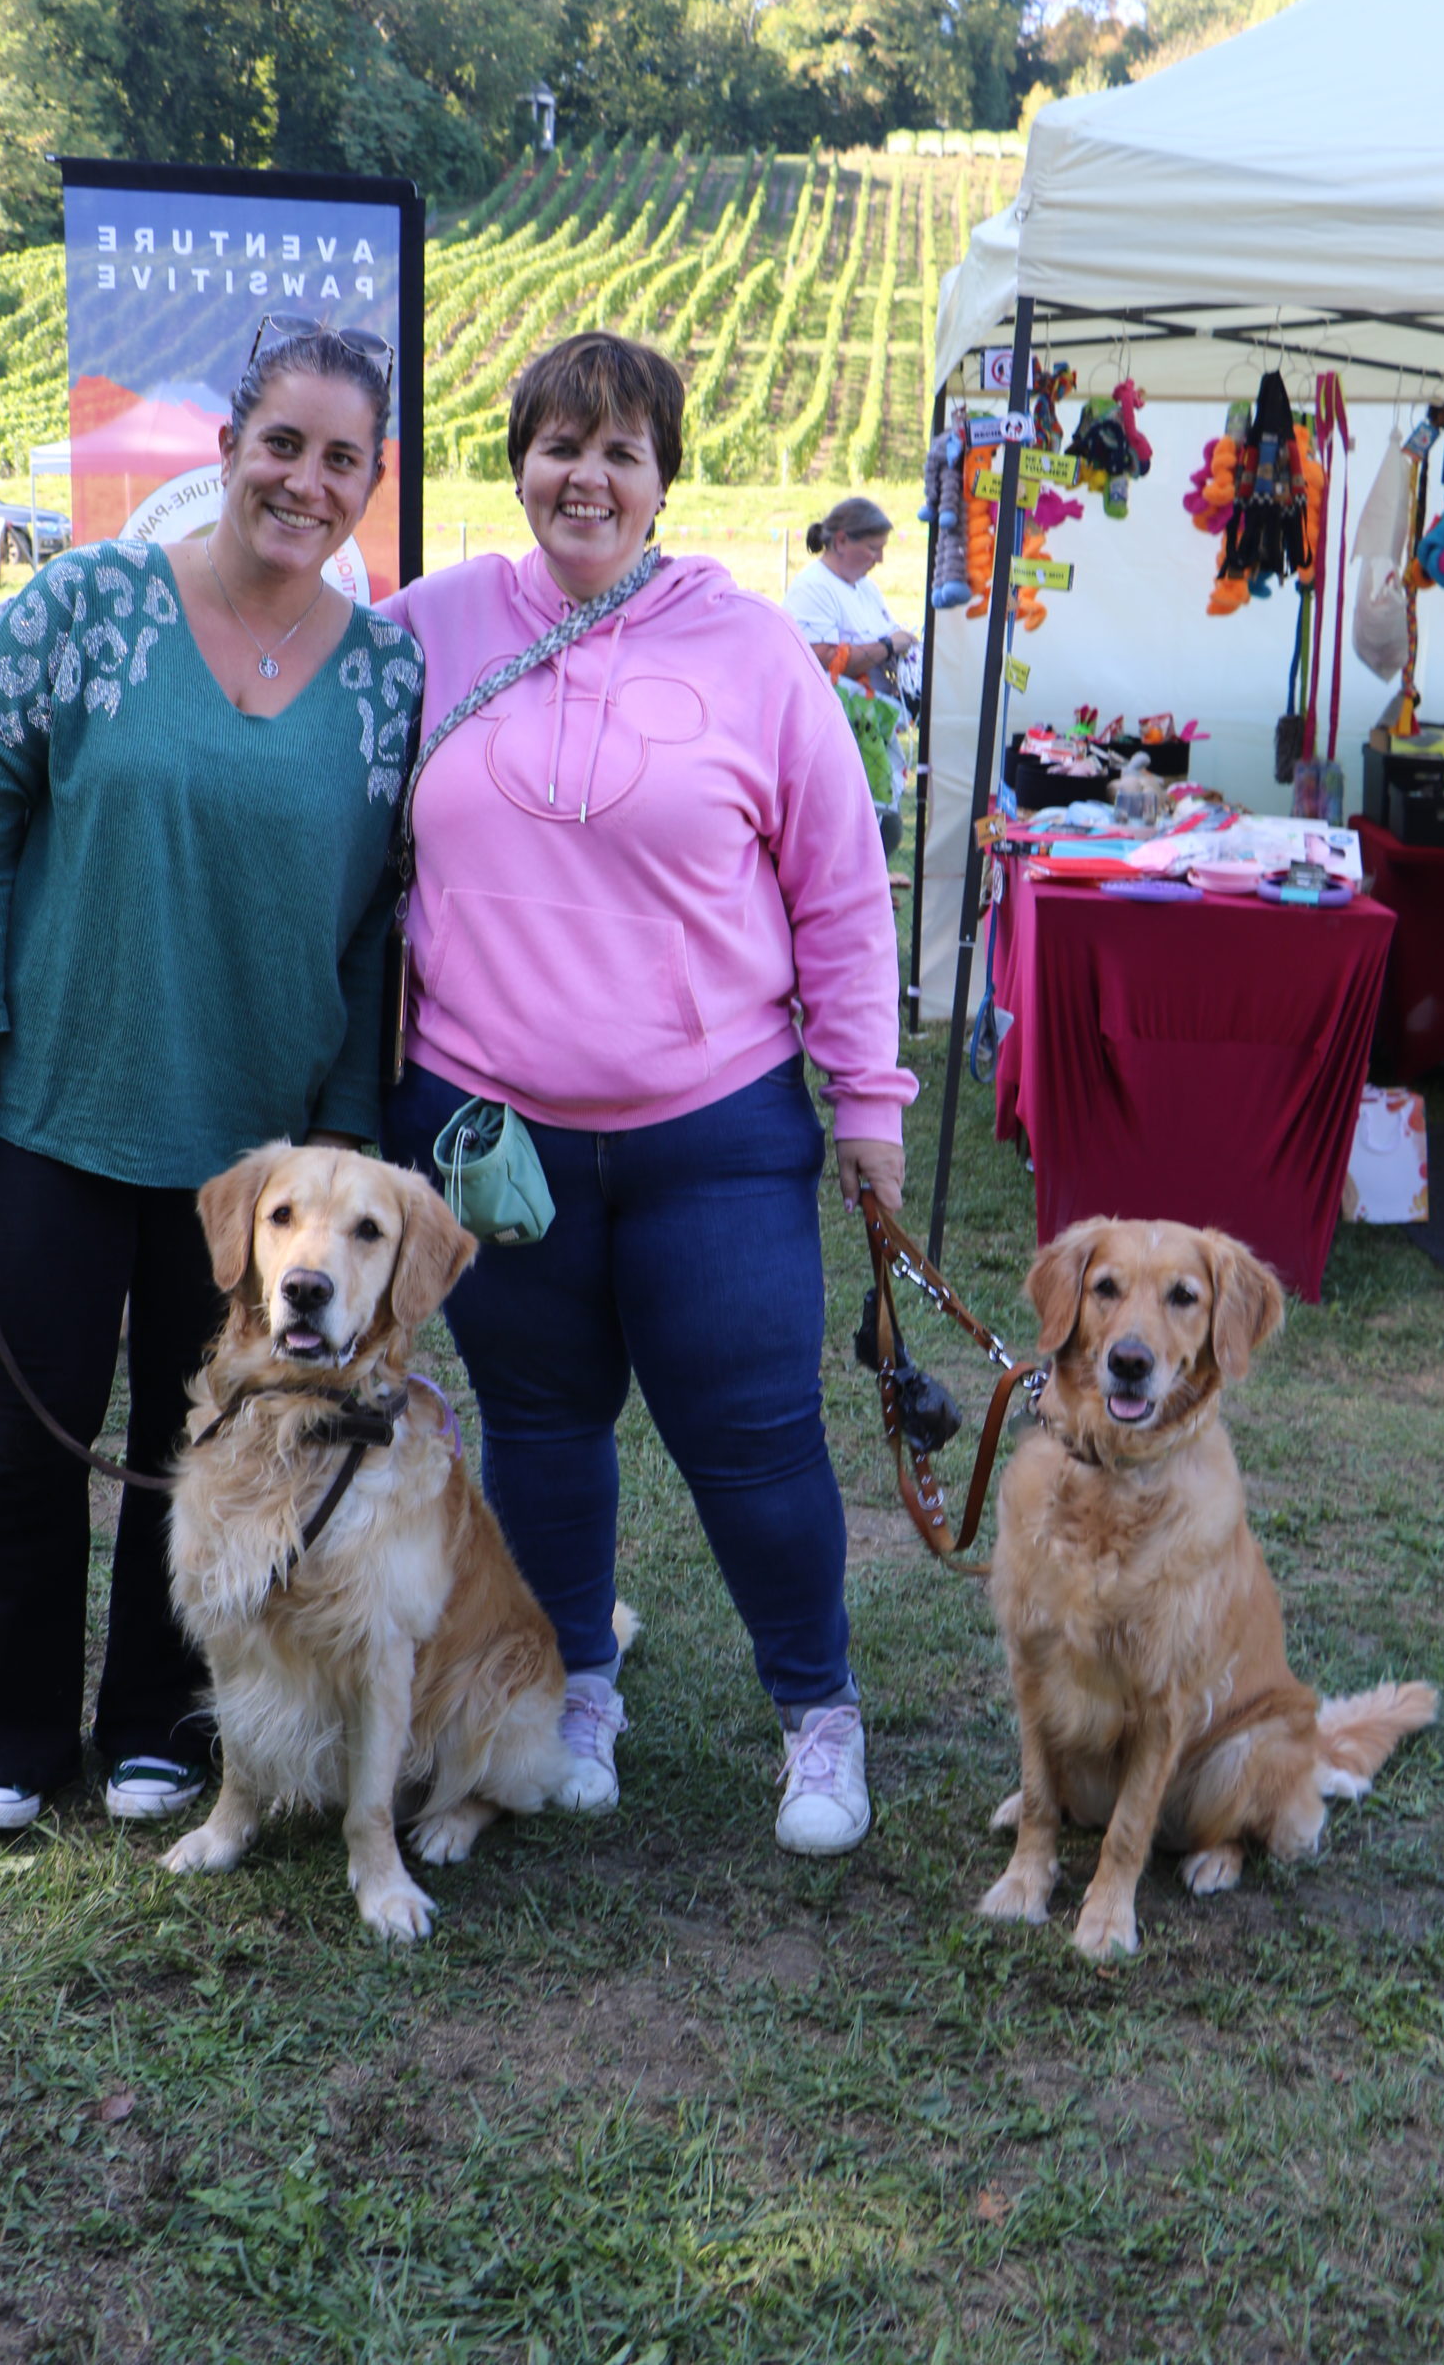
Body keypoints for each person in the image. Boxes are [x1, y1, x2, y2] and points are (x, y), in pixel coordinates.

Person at [377, 331, 915, 1858]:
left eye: (620, 451)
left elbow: (838, 888)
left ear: (663, 479)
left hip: (714, 1132)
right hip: (488, 1131)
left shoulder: (751, 650)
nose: (586, 478)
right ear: (518, 465)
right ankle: (576, 1688)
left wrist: (865, 1102)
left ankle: (815, 1709)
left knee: (753, 1439)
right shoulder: (422, 631)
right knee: (541, 1427)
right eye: (559, 446)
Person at [0, 320, 421, 1835]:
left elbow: (372, 919)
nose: (305, 481)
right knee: (25, 1437)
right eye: (283, 444)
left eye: (340, 459)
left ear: (370, 483)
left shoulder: (387, 675)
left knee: (205, 1442)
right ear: (227, 448)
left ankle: (156, 1720)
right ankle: (3, 1736)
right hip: (59, 1107)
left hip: (256, 1156)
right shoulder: (84, 604)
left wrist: (343, 1133)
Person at [783, 496, 919, 859]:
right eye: (873, 548)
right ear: (841, 541)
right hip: (831, 740)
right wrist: (889, 646)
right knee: (849, 840)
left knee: (883, 831)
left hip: (868, 734)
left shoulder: (866, 588)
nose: (880, 558)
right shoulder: (813, 588)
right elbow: (823, 659)